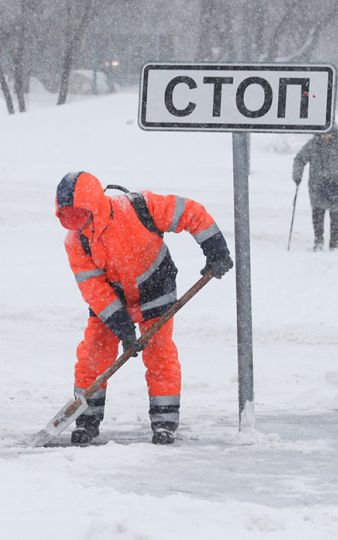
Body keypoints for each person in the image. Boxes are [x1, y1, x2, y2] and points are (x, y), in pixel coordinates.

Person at [55, 171, 233, 445]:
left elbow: (189, 212)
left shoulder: (139, 207)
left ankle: (164, 422)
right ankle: (86, 420)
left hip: (155, 285)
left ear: (94, 204)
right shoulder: (76, 241)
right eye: (67, 218)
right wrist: (122, 325)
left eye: (78, 215)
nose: (75, 224)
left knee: (159, 353)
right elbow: (93, 288)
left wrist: (215, 249)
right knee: (93, 354)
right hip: (112, 298)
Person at [292, 127, 338, 251]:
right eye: (323, 133)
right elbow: (300, 159)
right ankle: (318, 241)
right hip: (317, 186)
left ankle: (334, 243)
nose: (326, 136)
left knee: (336, 216)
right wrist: (297, 175)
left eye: (329, 133)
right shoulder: (312, 145)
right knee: (317, 214)